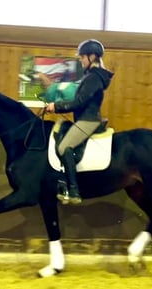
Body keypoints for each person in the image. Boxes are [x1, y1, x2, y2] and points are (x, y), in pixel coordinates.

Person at [45, 39, 114, 204]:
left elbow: (79, 102)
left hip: (88, 120)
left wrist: (56, 107)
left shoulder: (94, 78)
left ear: (92, 57)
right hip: (84, 118)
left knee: (63, 147)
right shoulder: (91, 76)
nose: (81, 60)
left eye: (82, 57)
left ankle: (73, 190)